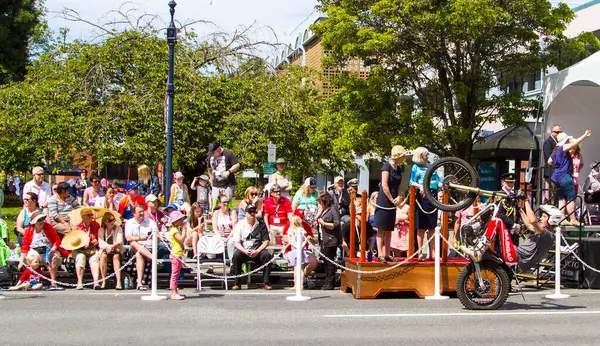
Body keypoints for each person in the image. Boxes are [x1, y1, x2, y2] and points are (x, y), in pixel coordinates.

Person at [549, 130, 592, 225]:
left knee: (562, 199)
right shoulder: (563, 148)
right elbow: (574, 143)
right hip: (565, 176)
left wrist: (558, 165)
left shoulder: (555, 150)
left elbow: (549, 162)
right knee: (571, 198)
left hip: (556, 177)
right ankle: (573, 219)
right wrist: (584, 135)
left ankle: (562, 218)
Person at [374, 145, 407, 262]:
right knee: (381, 228)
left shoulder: (398, 168)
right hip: (384, 200)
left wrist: (399, 197)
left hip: (393, 200)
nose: (404, 158)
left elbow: (398, 186)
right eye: (402, 156)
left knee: (389, 229)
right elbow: (384, 184)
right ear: (397, 156)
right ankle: (380, 254)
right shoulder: (386, 166)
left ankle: (387, 254)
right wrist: (391, 199)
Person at [230, 204, 272, 290]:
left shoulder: (261, 224)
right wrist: (244, 250)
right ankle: (237, 282)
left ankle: (266, 282)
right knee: (236, 256)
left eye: (254, 212)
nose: (252, 214)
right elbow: (236, 242)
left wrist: (257, 251)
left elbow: (266, 241)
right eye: (250, 212)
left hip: (258, 250)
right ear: (245, 213)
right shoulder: (240, 224)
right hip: (244, 250)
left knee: (266, 255)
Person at [409, 147, 440, 261]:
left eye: (427, 155)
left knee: (432, 226)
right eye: (425, 155)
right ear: (420, 156)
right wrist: (420, 186)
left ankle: (432, 253)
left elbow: (438, 180)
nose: (427, 157)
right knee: (421, 227)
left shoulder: (431, 165)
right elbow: (411, 182)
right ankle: (420, 253)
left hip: (433, 195)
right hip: (422, 197)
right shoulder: (415, 167)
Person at [19, 213, 63, 290]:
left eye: (43, 219)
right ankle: (32, 280)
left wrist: (53, 248)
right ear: (34, 223)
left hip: (48, 250)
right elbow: (24, 247)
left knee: (54, 258)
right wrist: (21, 261)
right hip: (35, 251)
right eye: (39, 220)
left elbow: (57, 240)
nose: (42, 221)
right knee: (32, 260)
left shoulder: (48, 227)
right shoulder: (29, 230)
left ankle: (53, 282)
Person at [282, 210, 318, 290]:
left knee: (313, 262)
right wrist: (293, 241)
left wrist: (310, 239)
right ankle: (297, 283)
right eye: (299, 217)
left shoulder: (306, 226)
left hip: (303, 250)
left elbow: (313, 241)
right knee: (297, 267)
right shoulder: (289, 225)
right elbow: (285, 238)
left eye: (302, 218)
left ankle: (302, 279)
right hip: (291, 250)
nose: (300, 220)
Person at [124, 204, 158, 290]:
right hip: (134, 248)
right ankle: (153, 259)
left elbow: (157, 236)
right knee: (133, 244)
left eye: (143, 211)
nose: (142, 213)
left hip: (149, 247)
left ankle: (139, 283)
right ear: (134, 213)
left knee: (139, 255)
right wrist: (141, 238)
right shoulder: (129, 223)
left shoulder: (151, 222)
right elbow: (128, 237)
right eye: (139, 212)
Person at [517, 200, 556, 272]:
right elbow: (529, 225)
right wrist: (520, 209)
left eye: (544, 216)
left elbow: (533, 221)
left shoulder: (548, 235)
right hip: (518, 254)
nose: (540, 218)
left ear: (552, 220)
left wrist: (526, 201)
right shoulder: (542, 232)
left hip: (521, 258)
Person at [315, 191, 341, 290]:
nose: (319, 203)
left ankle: (331, 282)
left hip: (331, 239)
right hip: (323, 239)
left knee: (330, 261)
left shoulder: (333, 209)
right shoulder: (323, 210)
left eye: (321, 201)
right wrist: (319, 212)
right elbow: (316, 219)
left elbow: (336, 224)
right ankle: (327, 280)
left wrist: (324, 223)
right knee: (325, 261)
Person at [72, 208, 101, 290]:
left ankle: (96, 282)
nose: (91, 217)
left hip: (92, 249)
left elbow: (100, 237)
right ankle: (80, 282)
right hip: (79, 250)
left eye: (92, 215)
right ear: (83, 217)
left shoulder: (96, 225)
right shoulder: (77, 228)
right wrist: (82, 245)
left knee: (94, 258)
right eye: (89, 215)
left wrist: (96, 241)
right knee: (81, 257)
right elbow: (74, 243)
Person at [207, 141, 240, 208]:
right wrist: (210, 178)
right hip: (216, 185)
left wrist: (229, 172)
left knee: (227, 204)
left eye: (214, 152)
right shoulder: (211, 156)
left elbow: (237, 164)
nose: (213, 154)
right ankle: (215, 216)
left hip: (227, 185)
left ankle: (229, 216)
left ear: (218, 149)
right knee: (215, 204)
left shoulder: (228, 153)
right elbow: (209, 168)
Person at [98, 211, 124, 290]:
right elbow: (101, 243)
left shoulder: (118, 228)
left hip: (116, 251)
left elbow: (119, 241)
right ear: (105, 222)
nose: (112, 222)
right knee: (103, 257)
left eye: (113, 220)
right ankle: (103, 280)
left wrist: (111, 247)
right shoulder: (101, 230)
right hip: (106, 250)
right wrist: (109, 247)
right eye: (110, 220)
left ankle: (118, 282)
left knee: (115, 257)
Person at [495, 173, 522, 245]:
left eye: (512, 182)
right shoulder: (499, 195)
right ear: (503, 182)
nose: (510, 184)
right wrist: (513, 224)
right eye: (508, 182)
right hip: (504, 230)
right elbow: (499, 214)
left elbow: (518, 212)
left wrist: (519, 225)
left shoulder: (514, 195)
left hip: (514, 231)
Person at [167, 211, 187, 300]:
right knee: (174, 274)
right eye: (180, 219)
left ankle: (175, 290)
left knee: (177, 273)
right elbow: (181, 239)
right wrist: (184, 231)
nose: (182, 221)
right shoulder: (174, 230)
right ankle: (173, 292)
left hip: (178, 253)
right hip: (175, 254)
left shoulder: (175, 229)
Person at [542, 125, 562, 201]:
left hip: (557, 172)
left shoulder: (559, 142)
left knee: (557, 194)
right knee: (551, 194)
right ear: (552, 132)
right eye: (557, 132)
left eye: (560, 132)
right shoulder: (548, 142)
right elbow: (548, 157)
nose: (559, 134)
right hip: (551, 171)